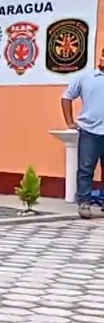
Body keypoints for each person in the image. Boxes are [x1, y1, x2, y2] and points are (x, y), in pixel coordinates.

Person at [61, 51, 104, 218]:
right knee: (86, 169)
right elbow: (66, 97)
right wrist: (70, 122)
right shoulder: (86, 77)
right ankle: (84, 203)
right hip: (90, 132)